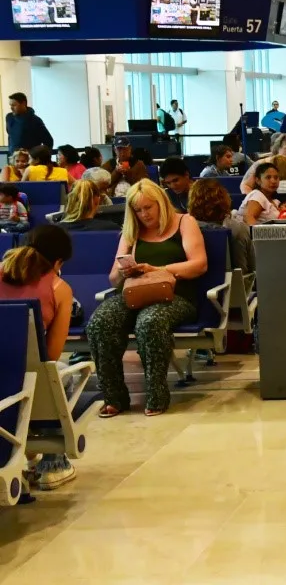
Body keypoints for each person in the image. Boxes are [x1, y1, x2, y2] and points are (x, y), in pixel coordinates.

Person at [86, 180, 208, 417]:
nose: (144, 214)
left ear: (160, 203)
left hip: (175, 296)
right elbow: (113, 279)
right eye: (138, 210)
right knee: (100, 323)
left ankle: (156, 394)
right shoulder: (132, 232)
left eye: (148, 208)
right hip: (136, 293)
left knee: (150, 322)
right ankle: (114, 396)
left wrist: (157, 269)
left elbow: (199, 264)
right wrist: (123, 272)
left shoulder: (184, 222)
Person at [0, 225, 74, 488]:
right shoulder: (58, 287)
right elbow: (51, 355)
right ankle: (53, 463)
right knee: (61, 375)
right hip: (27, 385)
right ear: (57, 262)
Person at [188, 178, 255, 275]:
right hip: (233, 286)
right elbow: (247, 270)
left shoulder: (185, 228)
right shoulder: (237, 229)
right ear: (224, 199)